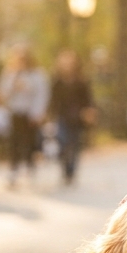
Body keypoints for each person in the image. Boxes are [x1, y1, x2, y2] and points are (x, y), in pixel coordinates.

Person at [0, 44, 49, 188]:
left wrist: (38, 113)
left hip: (30, 113)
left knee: (30, 142)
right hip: (15, 112)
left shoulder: (37, 74)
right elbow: (1, 93)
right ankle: (13, 170)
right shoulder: (10, 74)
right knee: (14, 142)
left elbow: (41, 95)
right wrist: (13, 86)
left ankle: (30, 168)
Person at [50, 49, 95, 185]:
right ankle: (65, 169)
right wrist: (49, 115)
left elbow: (88, 99)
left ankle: (72, 172)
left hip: (77, 117)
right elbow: (52, 100)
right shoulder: (56, 81)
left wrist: (89, 111)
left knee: (74, 145)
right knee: (62, 142)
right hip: (62, 116)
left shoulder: (82, 81)